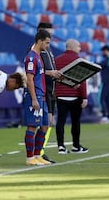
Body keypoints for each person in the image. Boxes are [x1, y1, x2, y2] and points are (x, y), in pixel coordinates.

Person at [54, 39, 89, 155]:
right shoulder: (79, 61)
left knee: (60, 121)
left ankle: (61, 147)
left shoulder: (57, 60)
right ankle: (76, 146)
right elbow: (82, 80)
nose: (79, 48)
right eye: (78, 46)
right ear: (73, 47)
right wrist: (84, 97)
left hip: (60, 95)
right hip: (75, 96)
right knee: (76, 122)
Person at [23, 29, 52, 166]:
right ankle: (29, 158)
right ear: (40, 41)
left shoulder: (39, 56)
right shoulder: (31, 57)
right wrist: (34, 99)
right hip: (34, 96)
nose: (47, 46)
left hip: (42, 96)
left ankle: (37, 154)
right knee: (33, 126)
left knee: (45, 125)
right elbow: (29, 80)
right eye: (46, 43)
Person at [36, 22, 62, 164]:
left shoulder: (48, 49)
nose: (50, 37)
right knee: (42, 122)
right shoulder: (36, 50)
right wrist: (49, 72)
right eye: (48, 34)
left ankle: (40, 150)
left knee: (49, 121)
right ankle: (38, 152)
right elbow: (33, 71)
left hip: (51, 90)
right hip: (43, 90)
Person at [97, 45, 109, 124]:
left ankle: (105, 115)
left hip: (106, 82)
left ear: (106, 51)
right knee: (108, 99)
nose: (102, 53)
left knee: (101, 98)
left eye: (103, 51)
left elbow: (100, 65)